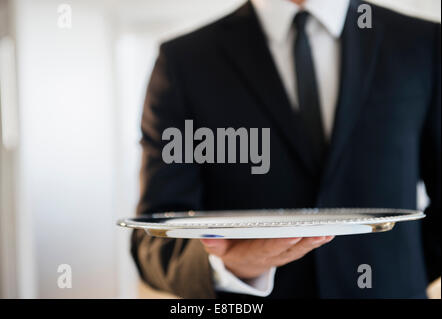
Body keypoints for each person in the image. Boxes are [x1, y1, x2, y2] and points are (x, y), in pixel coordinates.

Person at [131, 0, 440, 298]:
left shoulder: (424, 44)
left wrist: (403, 276)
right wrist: (229, 266)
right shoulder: (184, 62)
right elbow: (153, 239)